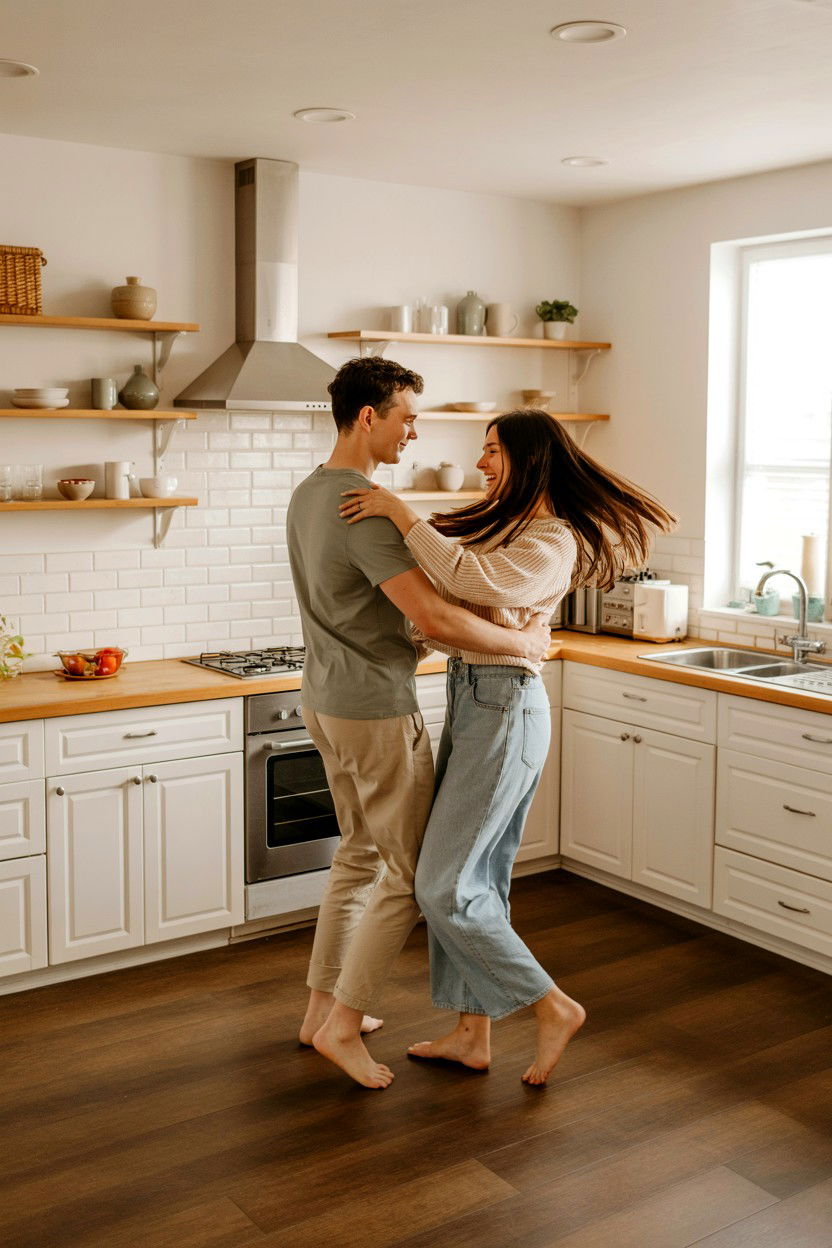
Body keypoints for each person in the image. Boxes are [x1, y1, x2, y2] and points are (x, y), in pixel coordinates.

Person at [340, 409, 676, 1085]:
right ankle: (472, 1035)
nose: (482, 463)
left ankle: (551, 1005)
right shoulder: (517, 527)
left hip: (506, 712)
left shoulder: (553, 541)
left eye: (492, 451)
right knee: (479, 881)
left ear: (529, 458)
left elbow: (473, 585)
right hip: (475, 700)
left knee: (442, 885)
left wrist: (405, 516)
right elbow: (459, 607)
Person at [287, 361, 551, 1090]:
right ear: (367, 417)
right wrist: (525, 643)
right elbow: (429, 614)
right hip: (373, 708)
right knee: (407, 877)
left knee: (358, 856)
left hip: (324, 700)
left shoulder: (308, 492)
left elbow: (389, 613)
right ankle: (343, 1028)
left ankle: (318, 1015)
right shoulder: (361, 503)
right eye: (406, 416)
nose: (414, 429)